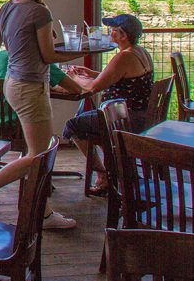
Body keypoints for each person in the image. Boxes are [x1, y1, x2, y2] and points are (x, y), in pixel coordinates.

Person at [0, 0, 86, 230]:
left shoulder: (6, 8)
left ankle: (42, 211)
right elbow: (48, 56)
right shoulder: (39, 12)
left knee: (36, 152)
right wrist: (80, 52)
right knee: (38, 156)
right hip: (30, 87)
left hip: (12, 85)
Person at [63, 14, 153, 193]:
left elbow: (94, 87)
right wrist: (91, 73)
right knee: (85, 120)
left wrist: (73, 78)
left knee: (73, 126)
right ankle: (117, 168)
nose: (109, 32)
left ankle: (104, 175)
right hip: (139, 116)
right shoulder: (140, 52)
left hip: (124, 121)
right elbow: (119, 78)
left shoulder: (123, 57)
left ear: (123, 35)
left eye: (113, 30)